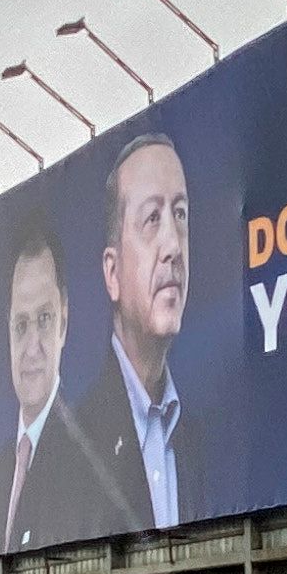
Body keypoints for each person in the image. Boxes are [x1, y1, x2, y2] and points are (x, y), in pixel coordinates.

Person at [71, 132, 204, 534]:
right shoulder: (75, 445)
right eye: (152, 219)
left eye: (179, 215)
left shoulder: (197, 438)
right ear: (112, 273)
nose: (173, 248)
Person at [0, 214, 122, 556]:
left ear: (64, 324)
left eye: (44, 319)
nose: (32, 347)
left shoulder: (89, 458)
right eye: (21, 325)